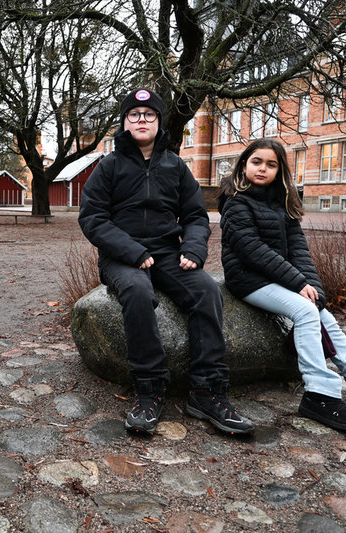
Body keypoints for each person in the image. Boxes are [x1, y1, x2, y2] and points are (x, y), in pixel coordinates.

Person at [78, 88, 254, 437]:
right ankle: (150, 388)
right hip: (121, 258)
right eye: (134, 115)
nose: (142, 120)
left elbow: (195, 216)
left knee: (206, 290)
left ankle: (206, 390)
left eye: (149, 115)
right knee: (137, 292)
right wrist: (133, 252)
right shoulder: (109, 166)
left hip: (169, 254)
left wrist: (193, 249)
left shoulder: (176, 166)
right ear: (125, 122)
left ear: (159, 123)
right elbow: (93, 218)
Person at [218, 137, 346, 433]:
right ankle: (319, 395)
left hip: (279, 278)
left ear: (279, 171)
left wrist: (313, 288)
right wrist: (296, 282)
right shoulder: (235, 203)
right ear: (244, 165)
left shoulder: (284, 203)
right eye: (256, 162)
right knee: (305, 313)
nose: (262, 169)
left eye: (271, 164)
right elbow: (251, 249)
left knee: (321, 313)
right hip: (248, 279)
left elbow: (299, 250)